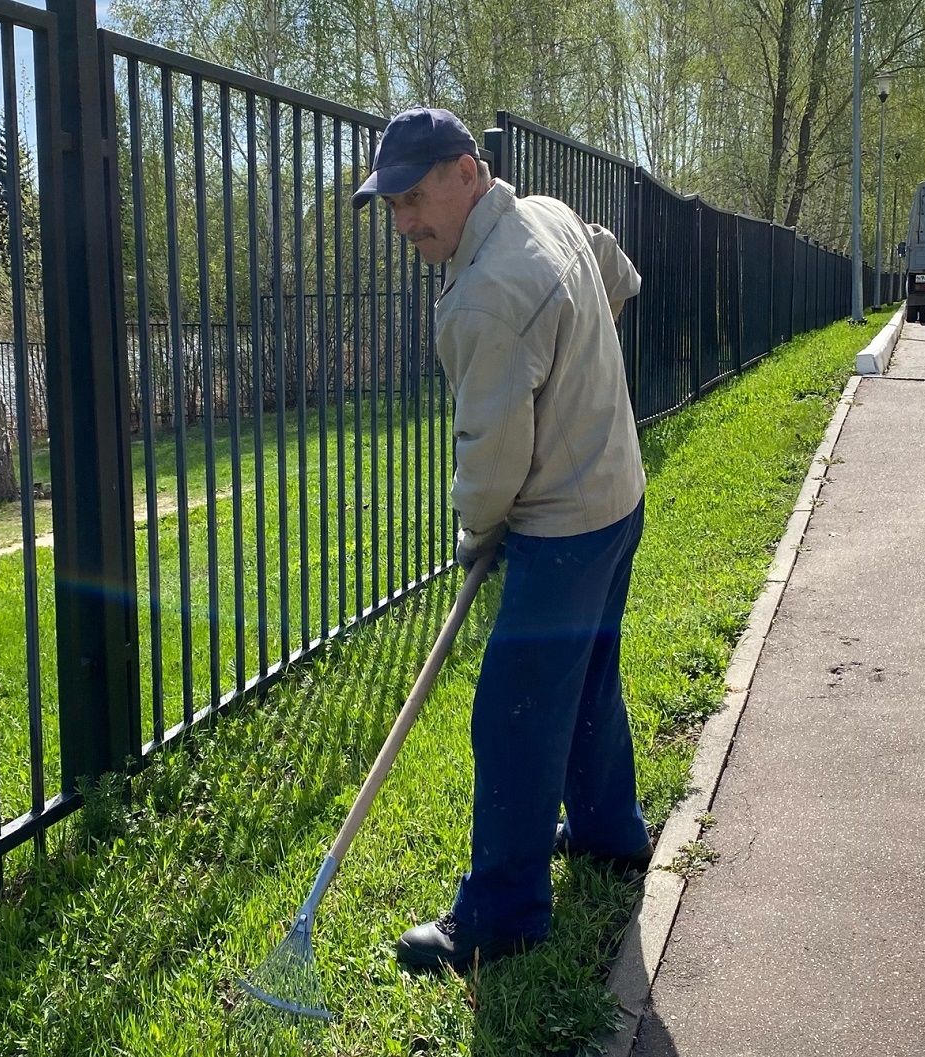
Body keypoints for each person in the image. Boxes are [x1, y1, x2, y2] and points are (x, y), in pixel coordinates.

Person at [352, 107, 651, 972]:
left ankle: (503, 915)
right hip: (618, 496)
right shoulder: (547, 214)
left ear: (468, 173)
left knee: (512, 716)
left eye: (414, 198)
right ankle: (608, 835)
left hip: (561, 528)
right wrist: (581, 379)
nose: (405, 223)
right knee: (590, 672)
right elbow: (615, 270)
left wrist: (474, 535)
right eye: (393, 205)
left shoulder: (485, 296)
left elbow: (491, 455)